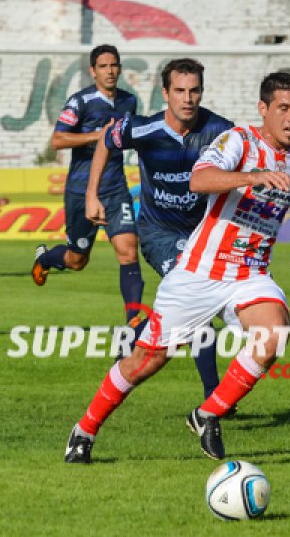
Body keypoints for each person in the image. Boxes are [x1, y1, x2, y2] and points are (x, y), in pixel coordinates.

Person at [64, 72, 290, 463]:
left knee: (274, 334)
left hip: (250, 274)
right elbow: (200, 181)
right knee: (145, 362)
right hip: (200, 271)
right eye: (283, 109)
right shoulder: (238, 141)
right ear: (263, 109)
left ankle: (207, 413)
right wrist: (252, 177)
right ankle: (84, 430)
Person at [86, 58, 234, 399]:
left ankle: (132, 340)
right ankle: (214, 396)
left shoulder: (222, 133)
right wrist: (92, 195)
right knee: (196, 306)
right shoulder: (144, 129)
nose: (188, 98)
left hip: (204, 236)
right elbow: (106, 141)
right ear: (165, 93)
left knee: (188, 315)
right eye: (179, 91)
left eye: (194, 90)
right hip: (158, 234)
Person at [31, 44, 144, 326]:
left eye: (114, 65)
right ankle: (46, 259)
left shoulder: (129, 102)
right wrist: (98, 135)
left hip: (115, 187)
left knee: (128, 250)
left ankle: (132, 320)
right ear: (93, 71)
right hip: (81, 191)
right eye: (103, 66)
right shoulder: (80, 101)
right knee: (78, 260)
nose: (110, 71)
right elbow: (58, 140)